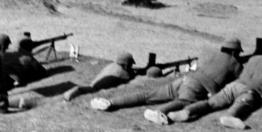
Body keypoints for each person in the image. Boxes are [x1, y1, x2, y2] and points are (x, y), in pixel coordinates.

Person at [92, 38, 243, 112]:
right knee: (185, 102)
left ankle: (110, 102)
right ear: (236, 51)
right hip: (198, 86)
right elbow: (242, 81)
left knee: (148, 95)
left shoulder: (213, 54)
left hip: (185, 79)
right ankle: (159, 112)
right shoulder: (235, 63)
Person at [159, 44, 262, 128]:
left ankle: (186, 111)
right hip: (250, 91)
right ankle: (230, 116)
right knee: (241, 103)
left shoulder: (254, 59)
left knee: (210, 103)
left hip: (234, 85)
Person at [64, 52, 138, 102]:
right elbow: (130, 78)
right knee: (84, 90)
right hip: (97, 89)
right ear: (126, 64)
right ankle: (72, 94)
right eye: (130, 64)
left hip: (94, 84)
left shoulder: (112, 65)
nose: (131, 66)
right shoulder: (121, 73)